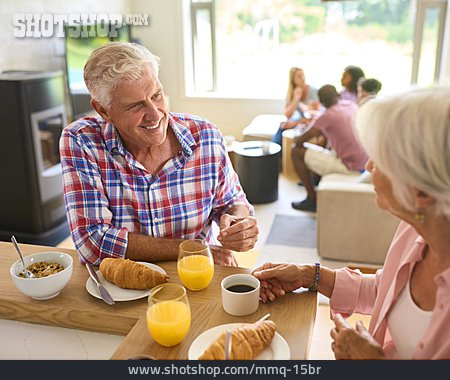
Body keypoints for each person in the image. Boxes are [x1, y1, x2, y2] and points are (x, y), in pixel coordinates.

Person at [253, 87, 450, 359]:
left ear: (422, 191)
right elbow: (387, 290)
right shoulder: (413, 230)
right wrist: (309, 275)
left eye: (380, 158)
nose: (368, 166)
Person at [60, 42, 258, 266]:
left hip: (198, 275)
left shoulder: (206, 136)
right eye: (136, 106)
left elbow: (231, 201)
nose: (155, 115)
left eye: (156, 95)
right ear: (104, 111)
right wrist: (195, 249)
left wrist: (239, 223)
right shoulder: (81, 141)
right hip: (122, 288)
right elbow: (92, 242)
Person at [290, 84, 368, 212]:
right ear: (338, 95)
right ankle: (315, 180)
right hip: (364, 163)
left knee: (295, 151)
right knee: (323, 145)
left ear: (321, 102)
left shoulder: (327, 116)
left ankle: (311, 199)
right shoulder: (350, 105)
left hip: (351, 168)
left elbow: (298, 141)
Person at [272, 67, 319, 146]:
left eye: (303, 75)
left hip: (309, 122)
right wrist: (296, 99)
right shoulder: (293, 92)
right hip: (301, 121)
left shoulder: (312, 91)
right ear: (293, 79)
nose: (303, 78)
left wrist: (295, 123)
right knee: (283, 126)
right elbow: (287, 114)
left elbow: (314, 116)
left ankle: (277, 154)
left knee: (287, 126)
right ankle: (273, 153)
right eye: (299, 76)